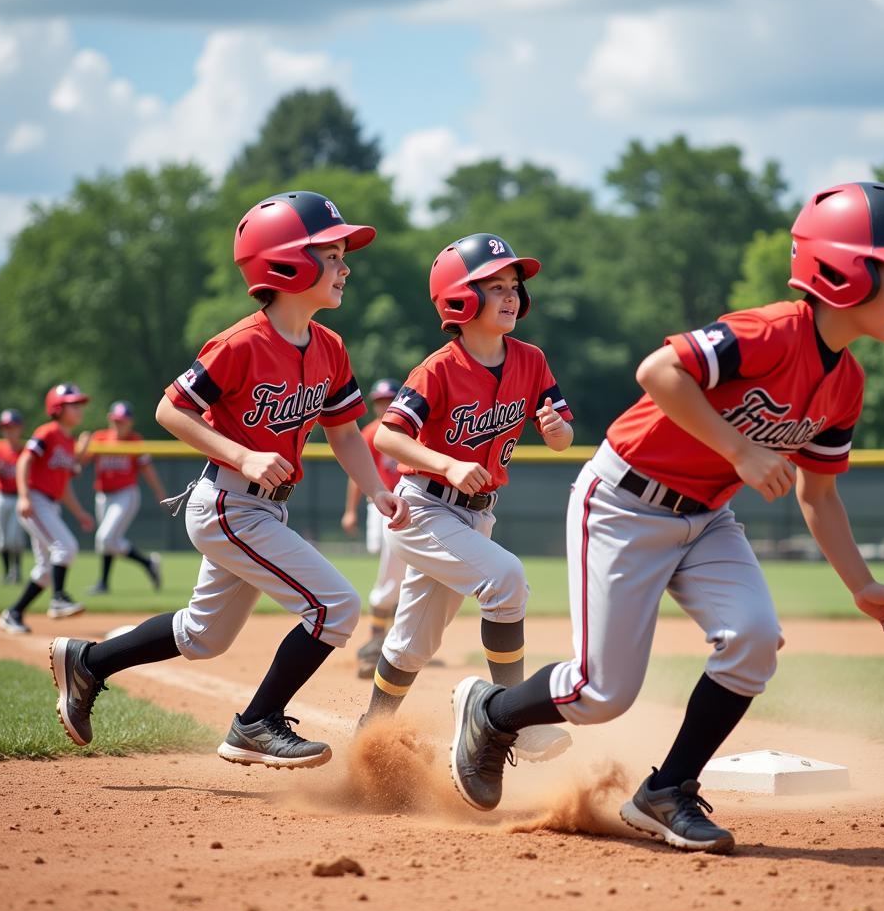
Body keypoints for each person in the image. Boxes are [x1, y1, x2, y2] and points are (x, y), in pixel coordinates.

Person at [448, 182, 884, 850]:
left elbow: (820, 495)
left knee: (754, 639)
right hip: (623, 505)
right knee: (600, 694)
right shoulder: (770, 331)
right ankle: (490, 711)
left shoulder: (847, 384)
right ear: (842, 271)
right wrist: (741, 449)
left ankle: (666, 791)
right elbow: (658, 371)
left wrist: (860, 584)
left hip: (706, 521)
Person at [47, 190, 409, 766]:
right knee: (336, 607)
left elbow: (344, 432)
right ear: (286, 263)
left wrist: (377, 491)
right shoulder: (241, 343)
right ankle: (255, 723)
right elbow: (171, 410)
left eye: (344, 255)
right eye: (333, 254)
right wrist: (242, 456)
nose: (346, 267)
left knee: (202, 637)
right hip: (229, 504)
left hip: (263, 509)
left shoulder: (330, 348)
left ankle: (88, 663)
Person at [360, 232, 575, 763]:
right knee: (506, 580)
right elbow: (387, 436)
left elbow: (563, 436)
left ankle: (371, 733)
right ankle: (514, 720)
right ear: (459, 299)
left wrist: (553, 430)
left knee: (413, 643)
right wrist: (448, 462)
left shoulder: (531, 360)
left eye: (514, 286)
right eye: (495, 285)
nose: (511, 296)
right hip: (425, 508)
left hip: (476, 516)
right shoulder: (438, 368)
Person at [0, 385, 95, 634]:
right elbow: (24, 460)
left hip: (50, 503)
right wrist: (23, 496)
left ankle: (14, 613)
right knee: (66, 547)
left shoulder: (67, 440)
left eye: (79, 404)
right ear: (57, 408)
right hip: (35, 501)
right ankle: (58, 599)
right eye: (73, 404)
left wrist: (79, 513)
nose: (79, 409)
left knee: (45, 571)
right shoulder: (48, 432)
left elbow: (63, 486)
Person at [341, 377, 407, 679]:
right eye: (379, 400)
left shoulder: (409, 430)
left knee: (393, 570)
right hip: (377, 504)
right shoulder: (369, 432)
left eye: (388, 399)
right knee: (386, 559)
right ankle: (383, 635)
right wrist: (350, 511)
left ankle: (378, 638)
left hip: (404, 504)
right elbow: (356, 474)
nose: (383, 404)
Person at [79, 400, 166, 594]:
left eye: (123, 421)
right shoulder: (100, 437)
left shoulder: (135, 441)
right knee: (109, 541)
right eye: (116, 420)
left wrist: (159, 492)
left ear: (130, 422)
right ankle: (141, 566)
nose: (119, 424)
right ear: (110, 420)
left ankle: (139, 567)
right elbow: (80, 464)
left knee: (105, 538)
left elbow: (148, 470)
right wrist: (83, 447)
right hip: (103, 495)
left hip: (125, 495)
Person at [0, 408, 27, 584]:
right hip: (1, 496)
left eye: (12, 426)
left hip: (19, 498)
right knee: (2, 540)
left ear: (20, 428)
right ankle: (6, 573)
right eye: (6, 427)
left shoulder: (26, 450)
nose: (9, 431)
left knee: (14, 538)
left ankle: (16, 571)